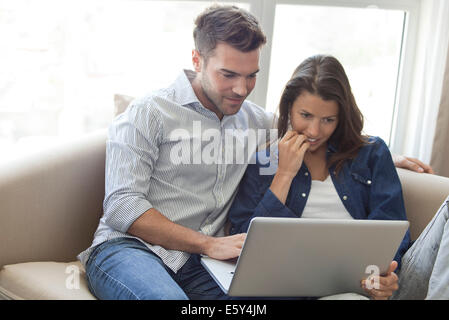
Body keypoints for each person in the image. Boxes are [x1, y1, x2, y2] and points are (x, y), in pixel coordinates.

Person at [78, 5, 434, 300]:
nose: (241, 89)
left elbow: (314, 126)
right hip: (131, 251)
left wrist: (380, 153)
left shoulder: (255, 120)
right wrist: (208, 244)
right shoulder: (149, 114)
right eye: (228, 74)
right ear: (196, 59)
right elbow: (122, 206)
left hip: (203, 267)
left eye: (251, 76)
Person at [228, 54, 449, 300]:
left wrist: (384, 274)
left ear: (341, 116)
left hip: (367, 285)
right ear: (289, 108)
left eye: (328, 120)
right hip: (290, 290)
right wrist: (285, 174)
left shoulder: (371, 154)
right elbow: (243, 245)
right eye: (306, 115)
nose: (314, 131)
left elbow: (391, 229)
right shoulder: (264, 163)